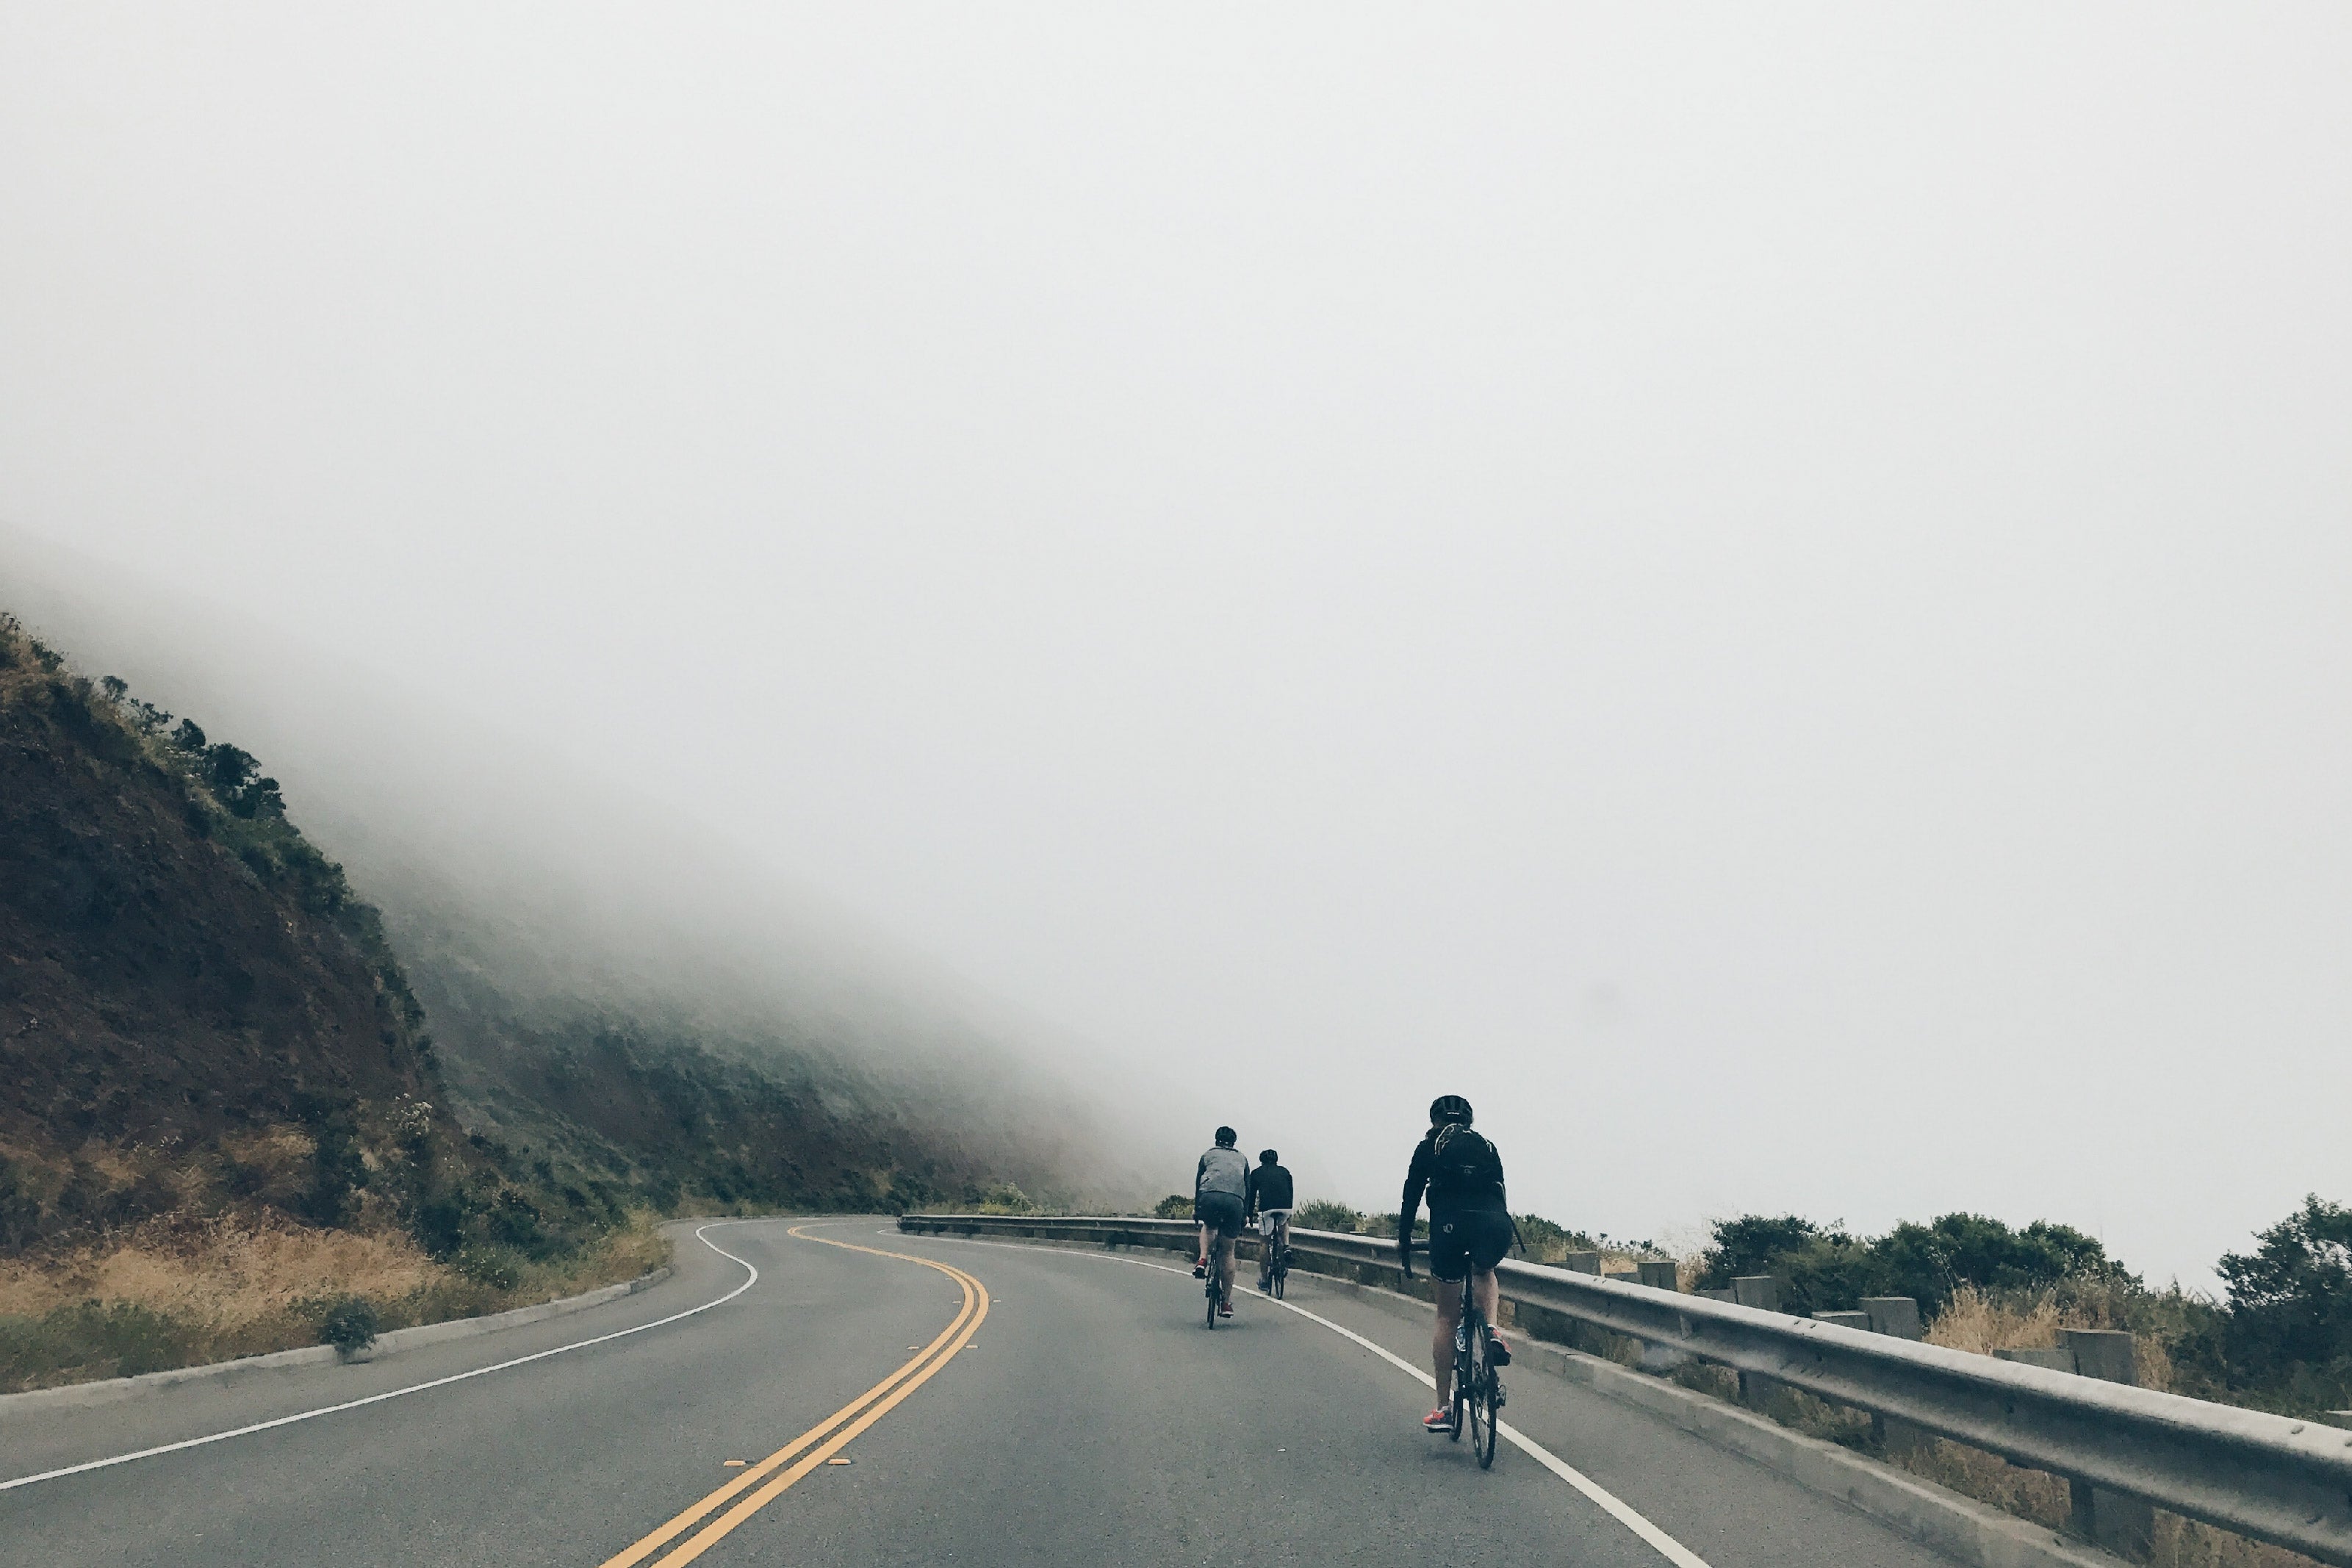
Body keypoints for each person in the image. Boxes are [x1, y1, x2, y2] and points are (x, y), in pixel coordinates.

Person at [1398, 1093, 1514, 1431]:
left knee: (1447, 1317)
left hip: (1449, 1229)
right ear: (1470, 1122)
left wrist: (1405, 1240)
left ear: (1434, 1119)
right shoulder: (1487, 1146)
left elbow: (1412, 1194)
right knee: (1485, 1271)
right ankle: (1491, 1328)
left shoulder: (1429, 1146)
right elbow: (1500, 1193)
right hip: (1494, 1225)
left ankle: (1443, 1408)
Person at [1192, 1126, 1250, 1317]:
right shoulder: (1242, 1158)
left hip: (1210, 1197)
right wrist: (1246, 1215)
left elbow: (1199, 1182)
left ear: (1216, 1140)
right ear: (1234, 1143)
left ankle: (1202, 1259)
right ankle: (1225, 1303)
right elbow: (1247, 1188)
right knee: (1228, 1251)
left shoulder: (1208, 1155)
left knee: (1209, 1226)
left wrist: (1196, 1208)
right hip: (1235, 1203)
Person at [1245, 1148, 1294, 1293]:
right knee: (1284, 1223)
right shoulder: (1285, 1171)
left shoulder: (1256, 1173)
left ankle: (1265, 1280)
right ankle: (1286, 1246)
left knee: (1264, 1242)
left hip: (1266, 1208)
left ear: (1262, 1161)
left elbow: (1251, 1196)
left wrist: (1249, 1214)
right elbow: (1290, 1191)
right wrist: (1289, 1209)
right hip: (1285, 1207)